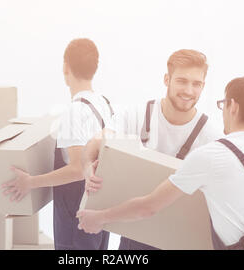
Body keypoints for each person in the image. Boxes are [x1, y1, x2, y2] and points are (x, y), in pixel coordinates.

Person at [77, 76, 244, 250]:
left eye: (223, 104)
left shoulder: (212, 155)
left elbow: (149, 207)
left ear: (232, 106)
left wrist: (99, 217)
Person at [80, 49, 223, 250]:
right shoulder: (137, 115)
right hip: (133, 236)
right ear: (167, 79)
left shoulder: (212, 136)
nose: (189, 91)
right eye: (182, 81)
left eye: (196, 84)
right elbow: (96, 143)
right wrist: (87, 167)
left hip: (181, 239)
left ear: (203, 86)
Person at [2, 38, 112, 250]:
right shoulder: (104, 103)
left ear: (65, 68)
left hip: (77, 212)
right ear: (95, 68)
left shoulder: (74, 111)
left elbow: (78, 169)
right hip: (99, 206)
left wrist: (30, 182)